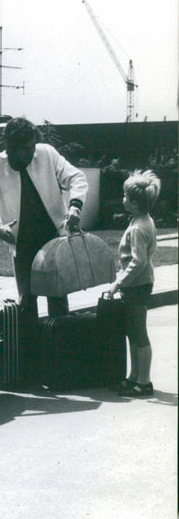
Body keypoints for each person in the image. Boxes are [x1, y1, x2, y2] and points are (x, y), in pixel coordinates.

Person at [0, 117, 88, 318]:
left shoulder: (46, 154)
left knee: (58, 301)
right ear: (10, 147)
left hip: (53, 241)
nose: (32, 152)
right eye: (25, 148)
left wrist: (75, 207)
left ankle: (60, 345)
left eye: (33, 146)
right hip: (22, 246)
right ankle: (31, 347)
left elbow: (77, 178)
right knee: (26, 304)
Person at [109, 170, 161, 397]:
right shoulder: (144, 220)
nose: (123, 199)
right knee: (133, 331)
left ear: (135, 204)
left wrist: (119, 282)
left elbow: (138, 261)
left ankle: (144, 382)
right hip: (139, 283)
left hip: (137, 285)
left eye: (125, 197)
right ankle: (134, 377)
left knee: (139, 333)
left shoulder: (139, 227)